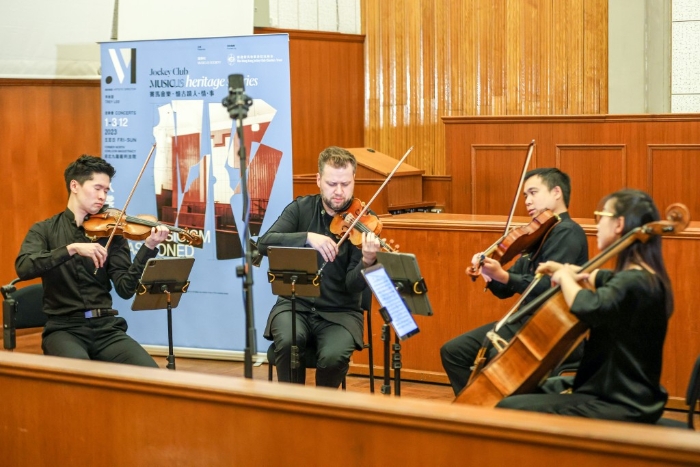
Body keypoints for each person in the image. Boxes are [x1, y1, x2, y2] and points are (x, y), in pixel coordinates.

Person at [496, 189, 672, 424]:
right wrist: (566, 270)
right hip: (605, 386)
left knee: (510, 407)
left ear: (619, 224)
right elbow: (598, 277)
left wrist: (566, 278)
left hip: (621, 400)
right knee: (526, 387)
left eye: (601, 216)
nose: (597, 225)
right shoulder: (640, 276)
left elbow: (586, 305)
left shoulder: (635, 281)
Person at [440, 168, 589, 396]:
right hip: (525, 323)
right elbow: (505, 291)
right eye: (525, 196)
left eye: (533, 193)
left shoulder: (568, 232)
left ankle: (502, 416)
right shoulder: (537, 235)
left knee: (495, 358)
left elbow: (548, 288)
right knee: (453, 351)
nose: (527, 201)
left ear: (556, 192)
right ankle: (479, 413)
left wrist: (505, 276)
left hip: (553, 328)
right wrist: (490, 275)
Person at [15, 155, 169, 367]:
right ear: (75, 186)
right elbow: (24, 267)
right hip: (64, 329)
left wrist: (148, 248)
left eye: (106, 190)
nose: (102, 196)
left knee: (151, 374)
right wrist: (71, 249)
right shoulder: (44, 230)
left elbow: (125, 289)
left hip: (106, 328)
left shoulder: (112, 232)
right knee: (82, 375)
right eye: (97, 188)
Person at [257, 146, 380, 388]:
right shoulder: (300, 209)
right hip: (295, 305)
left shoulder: (364, 222)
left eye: (345, 184)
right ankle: (292, 412)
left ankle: (322, 416)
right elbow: (264, 243)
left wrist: (367, 261)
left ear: (354, 180)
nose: (339, 191)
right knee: (289, 342)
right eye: (332, 183)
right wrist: (306, 237)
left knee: (333, 357)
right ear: (318, 180)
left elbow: (352, 286)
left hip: (340, 313)